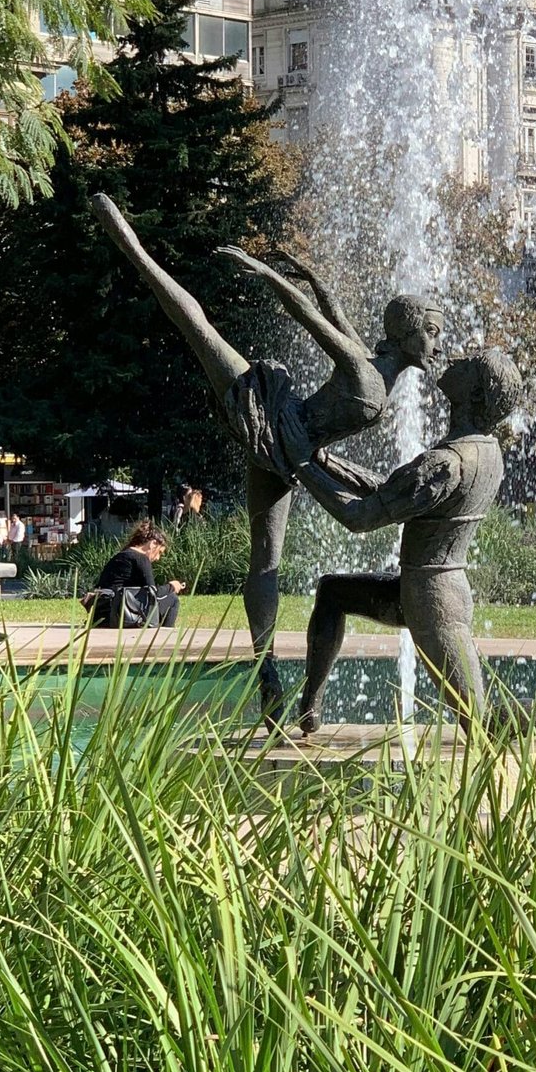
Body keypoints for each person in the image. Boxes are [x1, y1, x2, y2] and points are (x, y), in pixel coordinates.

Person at [92, 194, 443, 720]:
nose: (437, 343)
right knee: (198, 327)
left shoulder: (373, 367)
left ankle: (267, 671)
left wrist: (308, 274)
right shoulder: (368, 373)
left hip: (290, 451)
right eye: (432, 331)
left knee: (266, 562)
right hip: (278, 420)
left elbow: (330, 310)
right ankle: (121, 232)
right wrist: (267, 273)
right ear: (405, 332)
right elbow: (308, 317)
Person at [280, 351, 523, 735]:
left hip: (431, 603)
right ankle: (309, 710)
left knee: (481, 722)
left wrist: (301, 463)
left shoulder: (446, 462)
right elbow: (394, 491)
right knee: (333, 592)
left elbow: (360, 516)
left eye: (468, 364)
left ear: (474, 393)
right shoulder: (486, 451)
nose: (455, 360)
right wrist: (325, 462)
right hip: (431, 588)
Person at [84, 520, 186, 630]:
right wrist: (171, 586)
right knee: (172, 599)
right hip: (121, 615)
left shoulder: (121, 555)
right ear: (153, 544)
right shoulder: (141, 558)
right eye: (160, 553)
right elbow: (153, 593)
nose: (157, 558)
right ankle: (163, 638)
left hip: (103, 616)